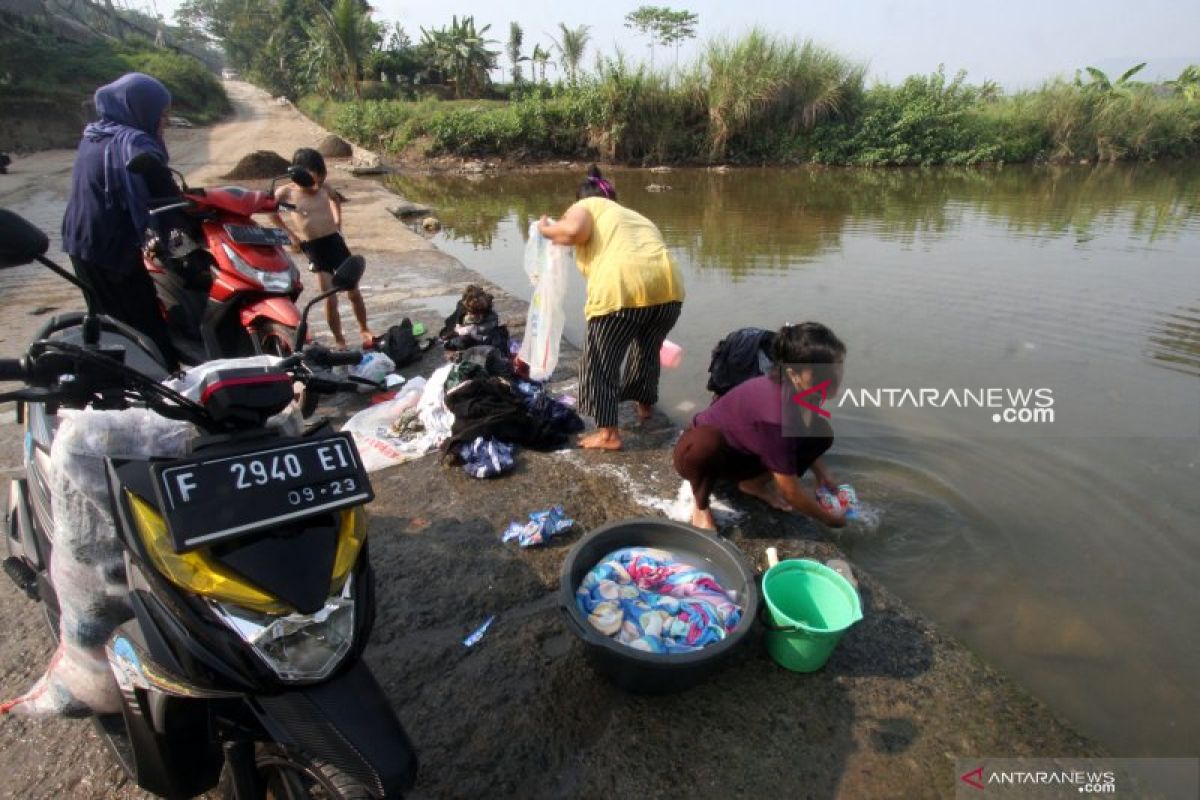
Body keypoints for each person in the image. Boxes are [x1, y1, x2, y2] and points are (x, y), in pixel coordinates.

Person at [537, 165, 685, 450]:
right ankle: (645, 409)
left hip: (622, 288)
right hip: (669, 290)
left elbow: (573, 232)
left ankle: (608, 435)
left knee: (600, 361)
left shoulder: (587, 205)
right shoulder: (632, 216)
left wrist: (545, 227)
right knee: (646, 350)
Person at [673, 322, 849, 531]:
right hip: (701, 455)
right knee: (705, 444)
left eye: (836, 367)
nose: (833, 377)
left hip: (742, 453)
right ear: (793, 373)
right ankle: (700, 505)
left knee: (821, 435)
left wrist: (822, 474)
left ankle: (752, 483)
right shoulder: (776, 413)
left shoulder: (803, 392)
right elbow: (789, 492)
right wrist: (831, 519)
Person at [61, 72, 180, 370]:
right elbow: (165, 197)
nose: (164, 123)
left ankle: (121, 377)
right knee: (141, 330)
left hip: (83, 241)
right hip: (110, 250)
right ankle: (154, 388)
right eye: (161, 115)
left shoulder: (97, 135)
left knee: (110, 320)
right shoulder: (134, 145)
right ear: (141, 110)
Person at [271, 148, 373, 349]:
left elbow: (335, 199)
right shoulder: (286, 193)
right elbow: (272, 212)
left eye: (320, 177)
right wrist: (290, 234)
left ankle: (364, 328)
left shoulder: (324, 187)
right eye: (312, 178)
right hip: (315, 249)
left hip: (335, 242)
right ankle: (340, 340)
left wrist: (338, 220)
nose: (316, 184)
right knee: (330, 297)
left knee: (353, 291)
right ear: (299, 174)